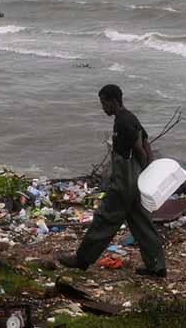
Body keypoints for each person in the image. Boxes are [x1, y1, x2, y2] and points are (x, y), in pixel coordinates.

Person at [58, 84, 167, 277]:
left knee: (105, 218)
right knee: (142, 223)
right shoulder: (130, 117)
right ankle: (157, 266)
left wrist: (144, 168)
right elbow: (145, 142)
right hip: (135, 179)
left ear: (114, 101)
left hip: (126, 179)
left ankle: (82, 260)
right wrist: (148, 171)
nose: (103, 107)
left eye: (104, 103)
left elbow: (139, 147)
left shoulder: (123, 121)